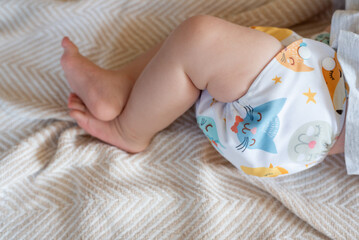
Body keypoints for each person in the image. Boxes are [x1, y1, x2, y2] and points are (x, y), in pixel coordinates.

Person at [61, 15, 346, 177]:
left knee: (201, 38)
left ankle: (129, 130)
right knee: (208, 44)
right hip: (312, 77)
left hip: (299, 113)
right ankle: (123, 84)